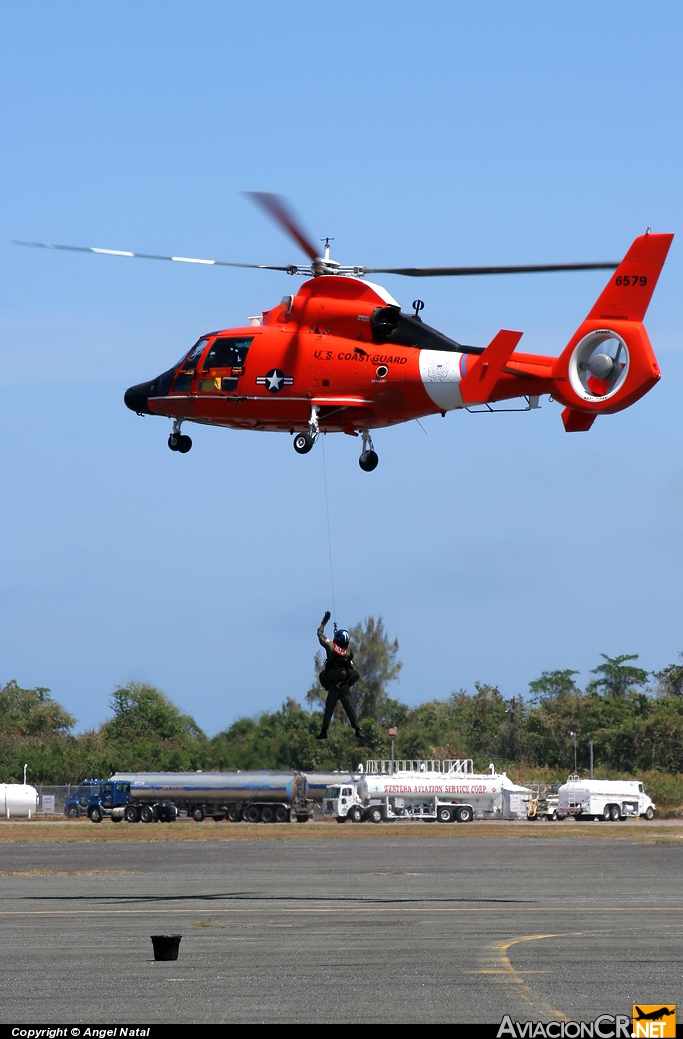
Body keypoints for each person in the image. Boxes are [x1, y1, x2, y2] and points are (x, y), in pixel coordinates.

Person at [315, 611, 366, 741]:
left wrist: (324, 622)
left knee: (328, 709)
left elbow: (320, 634)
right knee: (350, 709)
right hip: (343, 686)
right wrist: (347, 683)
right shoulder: (348, 653)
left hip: (332, 686)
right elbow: (351, 661)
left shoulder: (330, 647)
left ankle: (324, 731)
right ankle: (358, 730)